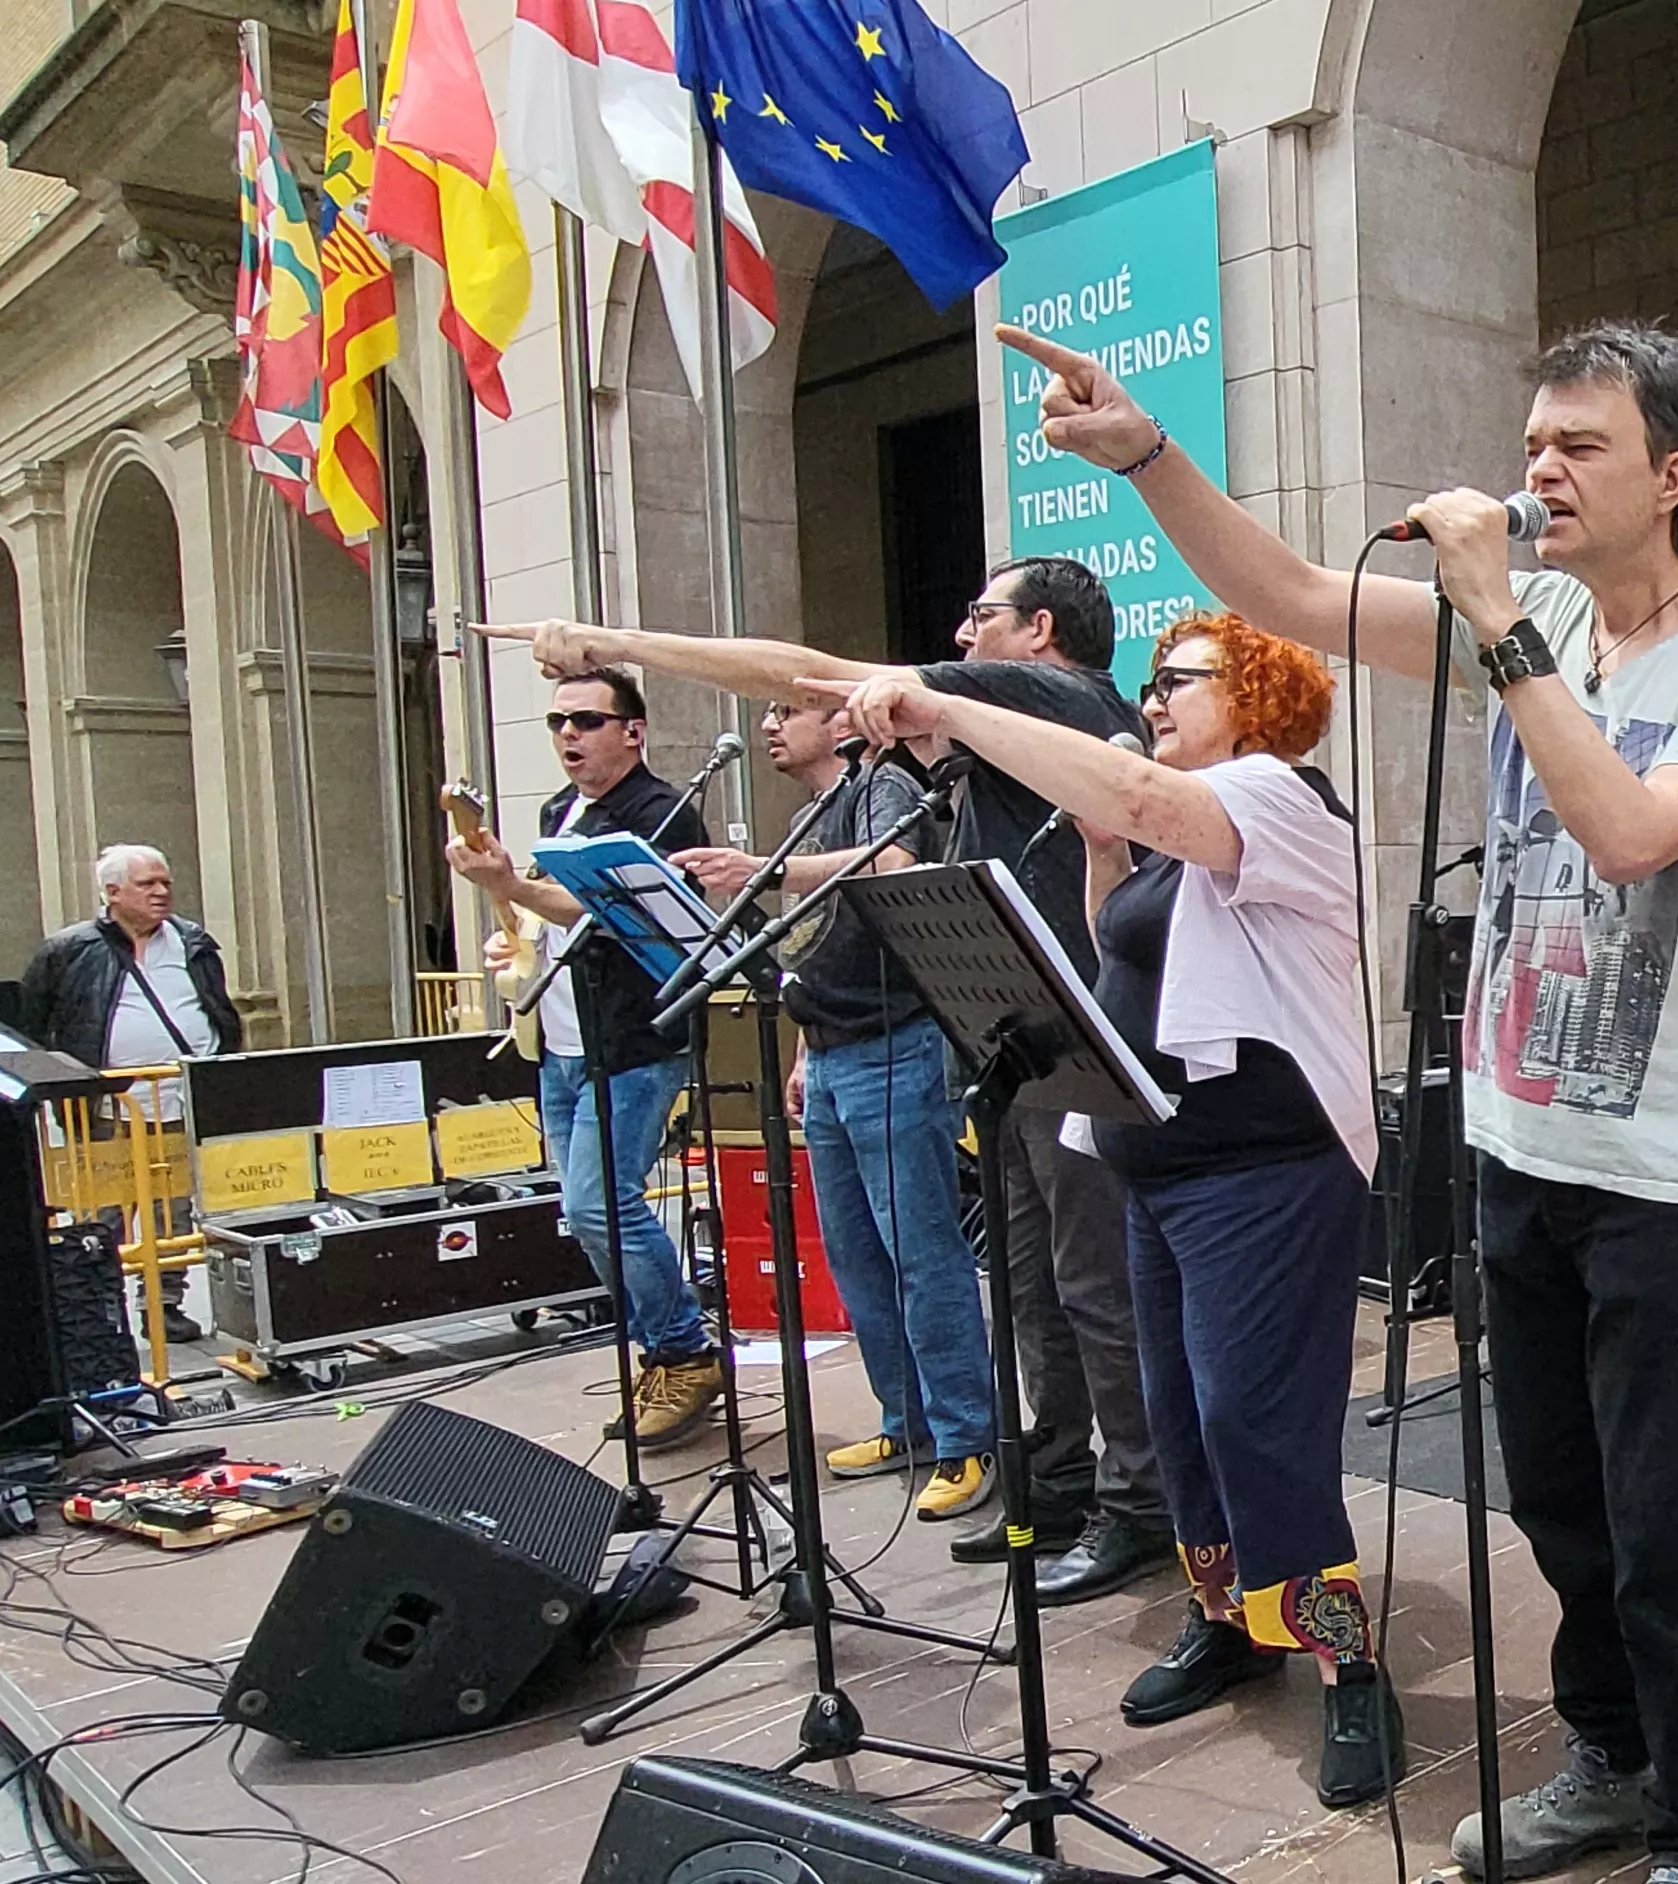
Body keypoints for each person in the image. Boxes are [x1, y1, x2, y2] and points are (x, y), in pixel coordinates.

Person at [998, 314, 1678, 1884]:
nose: (1536, 470)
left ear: (1671, 471)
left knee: (1661, 1538)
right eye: (1530, 445)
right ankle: (1613, 1764)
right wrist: (1148, 455)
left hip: (1670, 1173)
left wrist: (1501, 619)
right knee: (1559, 1516)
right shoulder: (1539, 624)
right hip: (1518, 1145)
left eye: (1576, 446)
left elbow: (1636, 832)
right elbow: (1288, 598)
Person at [475, 561, 1176, 1605]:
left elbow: (804, 671)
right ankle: (1066, 1480)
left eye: (979, 614)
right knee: (1034, 1283)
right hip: (1013, 1037)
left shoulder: (1053, 695)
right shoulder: (997, 729)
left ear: (1037, 632)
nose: (958, 629)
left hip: (1071, 1038)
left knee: (1086, 1283)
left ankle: (1140, 1504)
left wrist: (614, 645)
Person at [817, 611, 1396, 1807]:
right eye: (1152, 680)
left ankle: (1345, 1663)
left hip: (1264, 1170)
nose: (1155, 696)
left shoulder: (1281, 797)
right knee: (1177, 1420)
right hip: (1157, 1163)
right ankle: (1231, 1618)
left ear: (1255, 697)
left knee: (1254, 1420)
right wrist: (1096, 853)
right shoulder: (1176, 838)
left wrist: (953, 709)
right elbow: (1125, 957)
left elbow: (1135, 791)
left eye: (1179, 679)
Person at [673, 701, 996, 1523]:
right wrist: (803, 1051)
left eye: (791, 710)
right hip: (831, 1051)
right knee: (855, 1257)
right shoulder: (814, 813)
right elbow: (813, 948)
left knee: (921, 1252)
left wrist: (764, 869)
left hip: (894, 1046)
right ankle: (907, 1422)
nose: (771, 724)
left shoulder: (884, 786)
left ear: (843, 724)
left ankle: (967, 1438)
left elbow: (891, 864)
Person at [446, 669, 723, 1447]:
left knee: (602, 1204)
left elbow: (603, 904)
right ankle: (665, 1348)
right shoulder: (556, 811)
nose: (569, 734)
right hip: (563, 1040)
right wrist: (512, 921)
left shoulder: (659, 811)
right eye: (557, 721)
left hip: (634, 1037)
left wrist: (515, 886)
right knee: (583, 1210)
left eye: (587, 720)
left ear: (632, 731)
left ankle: (684, 1350)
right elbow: (546, 920)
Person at [18, 843, 246, 1343]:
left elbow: (217, 1008)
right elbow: (32, 1026)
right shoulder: (68, 950)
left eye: (165, 882)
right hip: (108, 1110)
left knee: (175, 1212)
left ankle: (163, 1305)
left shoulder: (192, 942)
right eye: (148, 884)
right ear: (112, 892)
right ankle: (96, 1312)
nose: (162, 892)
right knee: (103, 1214)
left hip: (183, 1102)